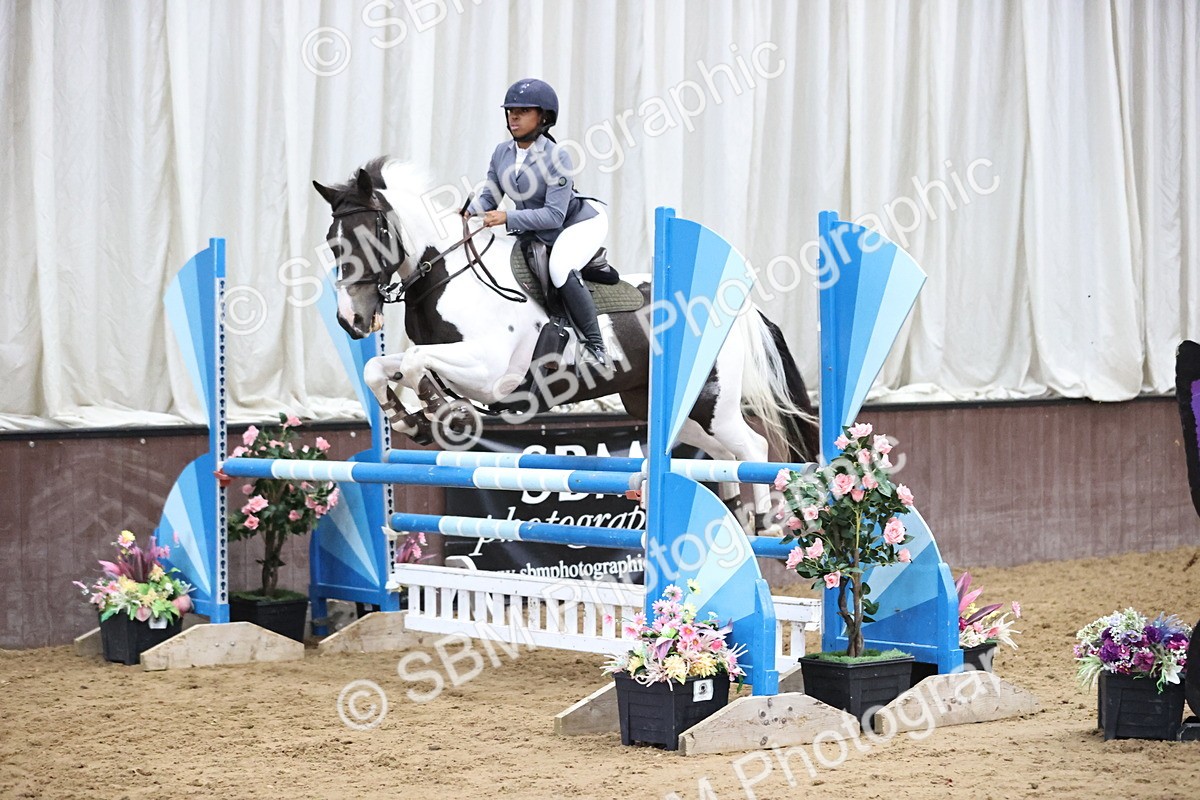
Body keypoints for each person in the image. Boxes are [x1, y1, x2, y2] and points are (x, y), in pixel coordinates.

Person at [467, 78, 610, 368]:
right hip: (535, 227)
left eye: (523, 111)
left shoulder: (557, 156)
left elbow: (554, 216)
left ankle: (595, 346)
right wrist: (466, 214)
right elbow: (490, 197)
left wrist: (507, 217)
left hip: (576, 223)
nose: (514, 117)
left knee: (559, 268)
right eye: (510, 111)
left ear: (543, 117)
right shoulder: (501, 152)